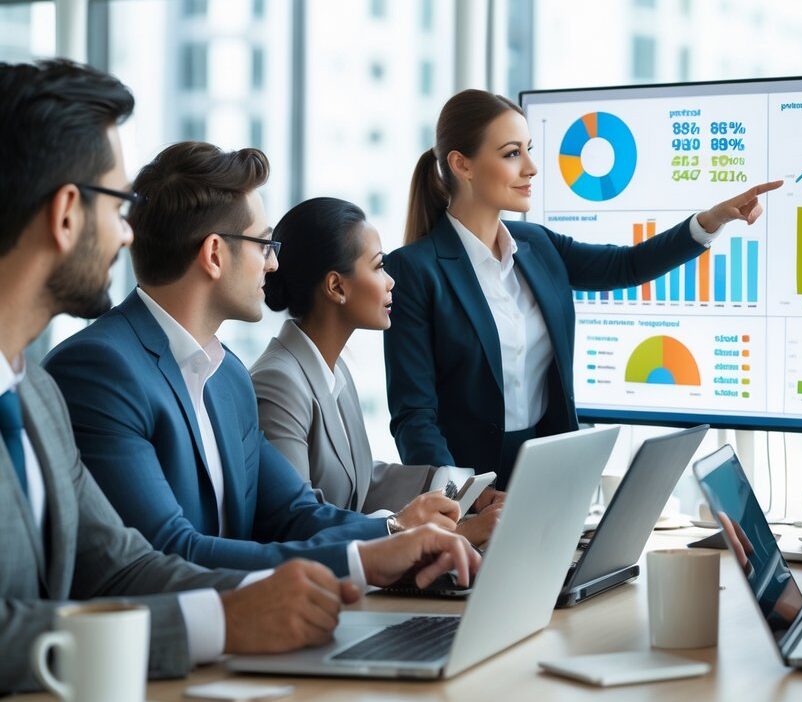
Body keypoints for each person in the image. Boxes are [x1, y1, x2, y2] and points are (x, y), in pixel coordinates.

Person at [0, 59, 477, 693]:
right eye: (118, 205)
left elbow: (122, 566)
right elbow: (167, 550)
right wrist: (226, 621)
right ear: (65, 214)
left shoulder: (35, 388)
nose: (125, 231)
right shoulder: (90, 371)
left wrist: (374, 552)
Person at [43, 141, 476, 582]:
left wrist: (394, 532)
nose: (272, 264)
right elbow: (169, 551)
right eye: (264, 244)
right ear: (214, 254)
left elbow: (292, 512)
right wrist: (365, 559)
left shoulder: (228, 375)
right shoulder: (102, 370)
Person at [385, 89, 782, 487]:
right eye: (511, 153)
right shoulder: (415, 271)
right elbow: (414, 417)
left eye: (529, 149)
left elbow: (624, 266)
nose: (531, 168)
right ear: (462, 165)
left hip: (548, 476)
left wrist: (709, 221)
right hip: (465, 488)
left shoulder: (537, 245)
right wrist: (463, 498)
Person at [252, 197, 502, 544]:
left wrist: (467, 494)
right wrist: (459, 531)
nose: (390, 282)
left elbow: (362, 481)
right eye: (378, 266)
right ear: (337, 286)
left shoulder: (335, 368)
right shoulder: (278, 382)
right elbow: (297, 521)